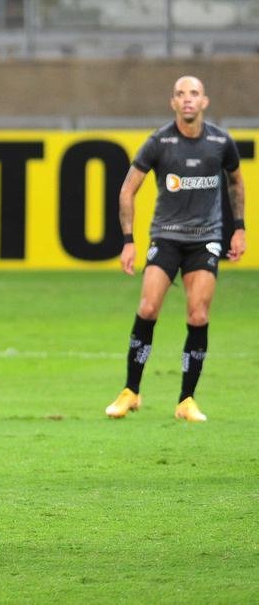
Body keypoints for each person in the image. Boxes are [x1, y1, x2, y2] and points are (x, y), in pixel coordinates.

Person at [107, 75, 246, 422]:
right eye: (181, 94)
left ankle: (186, 400)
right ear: (173, 103)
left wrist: (239, 229)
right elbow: (127, 190)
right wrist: (128, 241)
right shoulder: (159, 142)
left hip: (206, 238)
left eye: (194, 93)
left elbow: (236, 182)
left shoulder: (220, 141)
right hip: (166, 237)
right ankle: (130, 391)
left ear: (204, 101)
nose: (187, 99)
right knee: (148, 307)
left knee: (198, 315)